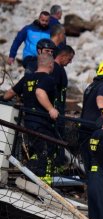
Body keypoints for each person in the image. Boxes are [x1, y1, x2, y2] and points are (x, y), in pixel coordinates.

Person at [15, 54, 58, 185]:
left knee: (36, 150)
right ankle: (43, 184)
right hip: (42, 123)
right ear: (51, 65)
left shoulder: (27, 78)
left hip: (28, 122)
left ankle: (32, 177)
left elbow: (10, 92)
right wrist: (51, 109)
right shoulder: (48, 79)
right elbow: (39, 92)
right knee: (47, 151)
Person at [79, 59, 103, 173]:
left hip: (84, 129)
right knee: (99, 164)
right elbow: (100, 99)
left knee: (89, 165)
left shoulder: (91, 86)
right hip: (95, 130)